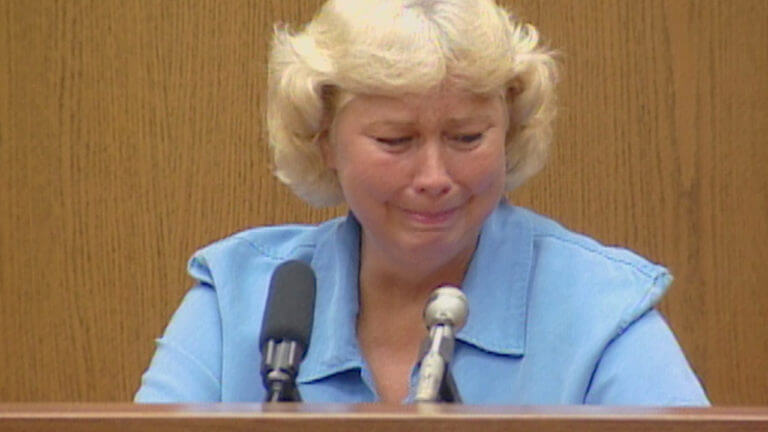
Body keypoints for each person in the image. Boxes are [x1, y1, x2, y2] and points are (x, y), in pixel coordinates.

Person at [135, 0, 709, 405]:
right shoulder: (238, 298)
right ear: (323, 140)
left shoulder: (600, 313)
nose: (434, 177)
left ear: (508, 134)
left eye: (467, 138)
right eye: (395, 140)